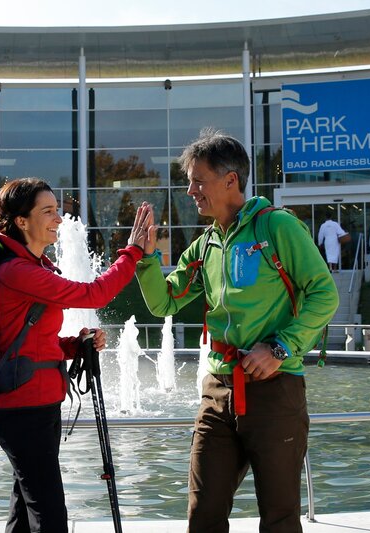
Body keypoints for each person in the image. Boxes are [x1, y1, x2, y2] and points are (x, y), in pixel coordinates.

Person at [134, 130, 338, 533]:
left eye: (198, 180)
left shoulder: (276, 227)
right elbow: (165, 303)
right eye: (189, 181)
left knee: (279, 518)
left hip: (275, 388)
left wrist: (280, 347)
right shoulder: (206, 244)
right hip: (217, 391)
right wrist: (145, 259)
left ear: (231, 180)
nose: (190, 190)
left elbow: (324, 294)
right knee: (203, 513)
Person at [0, 177, 153, 533]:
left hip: (39, 406)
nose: (58, 219)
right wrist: (132, 253)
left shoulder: (32, 268)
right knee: (50, 518)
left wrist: (72, 345)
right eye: (47, 212)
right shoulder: (17, 271)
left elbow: (33, 341)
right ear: (21, 221)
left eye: (57, 211)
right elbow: (94, 294)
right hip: (24, 412)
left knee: (24, 513)